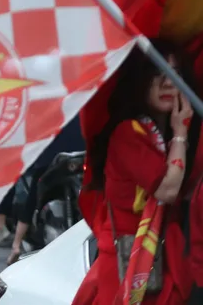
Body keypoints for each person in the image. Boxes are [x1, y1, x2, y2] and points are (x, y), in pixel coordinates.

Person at [72, 43, 194, 305]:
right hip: (127, 264)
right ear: (139, 81)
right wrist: (181, 133)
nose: (168, 83)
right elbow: (168, 189)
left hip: (167, 261)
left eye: (175, 74)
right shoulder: (128, 132)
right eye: (157, 74)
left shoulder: (168, 135)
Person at [5, 115, 85, 264]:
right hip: (82, 151)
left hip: (54, 154)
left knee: (32, 196)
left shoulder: (50, 109)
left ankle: (16, 245)